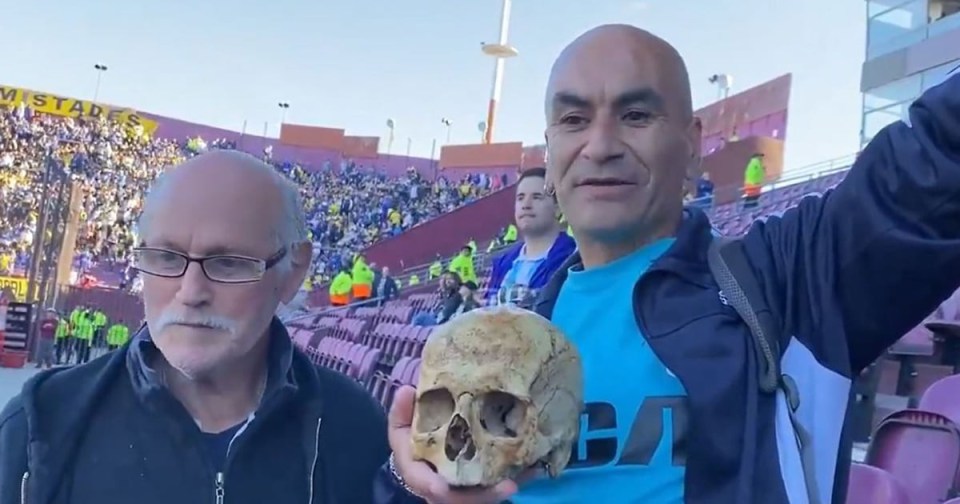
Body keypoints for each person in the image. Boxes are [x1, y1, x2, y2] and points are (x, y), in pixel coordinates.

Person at [377, 25, 960, 504]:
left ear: (692, 141)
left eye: (635, 115)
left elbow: (934, 165)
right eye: (574, 119)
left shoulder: (788, 281)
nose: (600, 144)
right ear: (550, 150)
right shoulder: (513, 335)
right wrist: (411, 481)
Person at [0, 150, 389, 504]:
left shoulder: (355, 428)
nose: (190, 292)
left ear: (292, 272)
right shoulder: (39, 426)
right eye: (166, 257)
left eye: (228, 263)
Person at [486, 168, 576, 306]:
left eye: (536, 197)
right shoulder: (502, 263)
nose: (526, 205)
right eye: (520, 198)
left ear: (558, 207)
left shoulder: (573, 259)